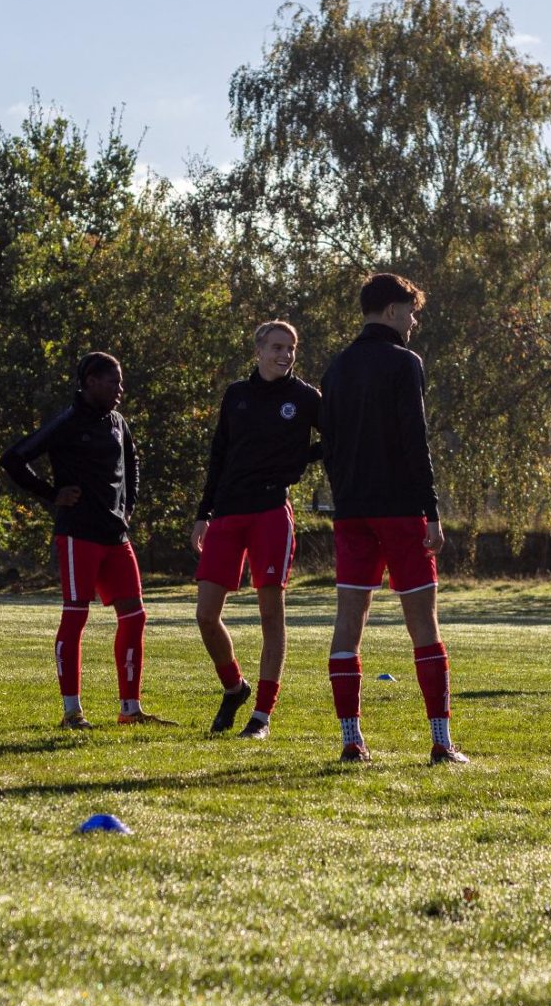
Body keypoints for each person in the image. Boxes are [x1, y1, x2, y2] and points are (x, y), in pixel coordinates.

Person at [318, 272, 464, 764]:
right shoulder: (405, 362)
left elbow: (330, 445)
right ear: (391, 310)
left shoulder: (336, 367)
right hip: (401, 510)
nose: (413, 321)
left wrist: (346, 494)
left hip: (351, 511)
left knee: (348, 622)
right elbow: (413, 439)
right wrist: (431, 510)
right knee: (423, 622)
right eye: (411, 311)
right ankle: (441, 741)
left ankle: (351, 740)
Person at [3, 351, 169, 729]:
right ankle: (72, 712)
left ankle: (130, 710)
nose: (120, 389)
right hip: (78, 534)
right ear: (90, 382)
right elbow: (13, 459)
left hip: (115, 535)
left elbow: (132, 464)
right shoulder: (67, 421)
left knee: (135, 616)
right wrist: (52, 494)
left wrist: (127, 508)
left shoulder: (118, 423)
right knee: (76, 617)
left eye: (121, 382)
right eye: (113, 382)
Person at [193, 320, 321, 738]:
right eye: (277, 347)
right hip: (227, 513)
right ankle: (235, 687)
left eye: (291, 348)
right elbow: (219, 454)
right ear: (259, 351)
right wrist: (203, 513)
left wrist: (298, 459)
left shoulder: (305, 398)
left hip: (271, 513)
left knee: (270, 615)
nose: (285, 355)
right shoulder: (236, 395)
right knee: (206, 615)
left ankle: (262, 715)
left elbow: (337, 439)